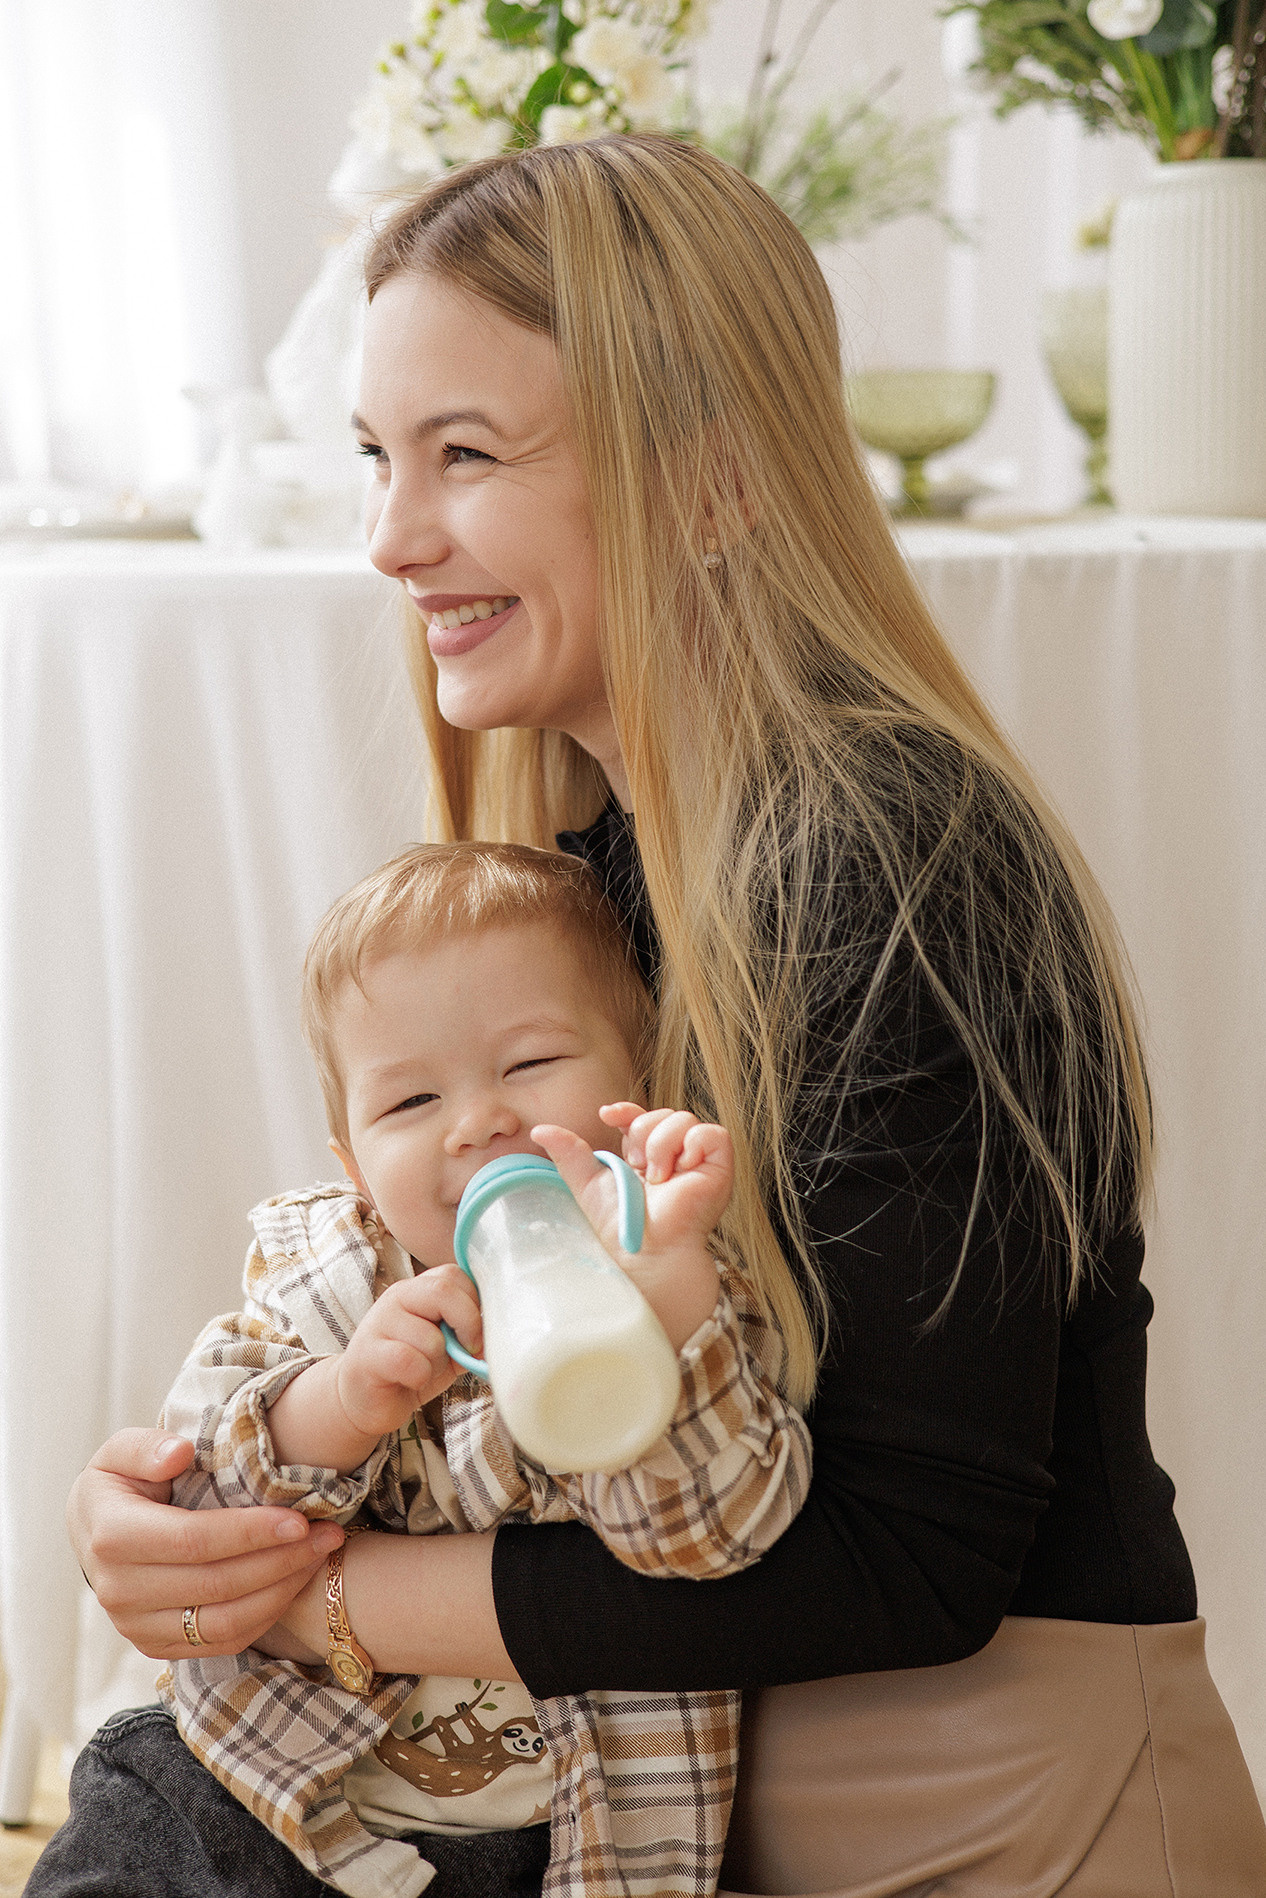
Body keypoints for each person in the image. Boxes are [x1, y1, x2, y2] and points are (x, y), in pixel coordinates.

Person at [59, 133, 1266, 1896]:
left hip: (990, 1822)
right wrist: (197, 1504)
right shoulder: (594, 872)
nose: (393, 537)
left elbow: (913, 1558)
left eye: (464, 457)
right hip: (694, 1803)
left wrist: (317, 1593)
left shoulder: (890, 862)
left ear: (704, 486)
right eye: (379, 458)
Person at [148, 840, 810, 1898]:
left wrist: (667, 1289)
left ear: (638, 1082)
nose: (478, 1120)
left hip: (545, 1839)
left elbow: (719, 1536)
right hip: (251, 1783)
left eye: (530, 1062)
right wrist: (343, 1401)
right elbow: (199, 1505)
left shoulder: (684, 1278)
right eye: (409, 1103)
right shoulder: (326, 1274)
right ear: (356, 1166)